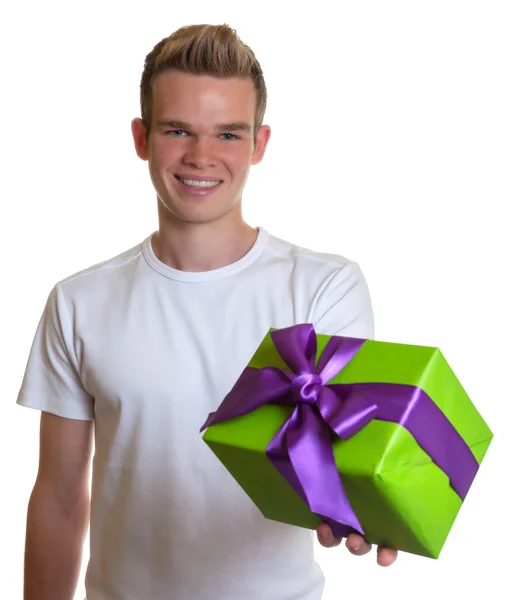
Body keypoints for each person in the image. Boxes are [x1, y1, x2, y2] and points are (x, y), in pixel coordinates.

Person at [17, 23, 397, 600]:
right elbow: (60, 495)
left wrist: (368, 508)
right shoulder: (78, 303)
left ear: (258, 145)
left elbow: (349, 450)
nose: (202, 157)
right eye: (177, 130)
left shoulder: (324, 288)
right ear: (142, 137)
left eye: (227, 134)